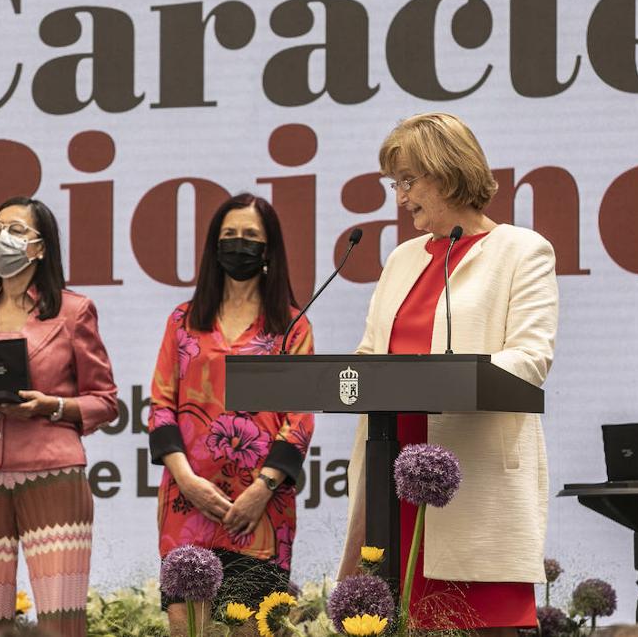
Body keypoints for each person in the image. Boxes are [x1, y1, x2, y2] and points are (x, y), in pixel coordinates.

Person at [338, 113, 559, 635]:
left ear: (448, 172)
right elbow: (370, 355)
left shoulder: (522, 251)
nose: (401, 197)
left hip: (468, 484)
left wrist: (439, 378)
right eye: (396, 183)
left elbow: (529, 359)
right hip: (392, 482)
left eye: (409, 181)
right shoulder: (402, 259)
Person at [0, 196, 119, 637]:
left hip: (52, 471)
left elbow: (106, 401)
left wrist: (49, 406)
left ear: (40, 248)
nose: (3, 238)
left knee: (61, 621)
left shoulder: (73, 311)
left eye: (17, 231)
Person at [148, 193, 314, 635]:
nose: (239, 245)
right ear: (213, 246)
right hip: (187, 504)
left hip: (260, 511)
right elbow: (161, 406)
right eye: (229, 236)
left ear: (269, 249)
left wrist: (261, 490)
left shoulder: (293, 327)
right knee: (187, 628)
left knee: (250, 629)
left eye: (251, 237)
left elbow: (299, 419)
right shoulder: (182, 321)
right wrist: (187, 481)